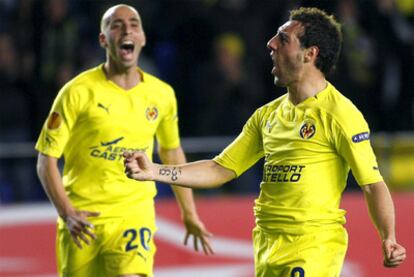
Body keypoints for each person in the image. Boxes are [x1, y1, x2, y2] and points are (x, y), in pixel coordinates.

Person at [124, 7, 406, 276]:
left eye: (283, 39)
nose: (271, 44)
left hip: (312, 246)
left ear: (310, 54)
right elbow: (220, 168)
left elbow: (371, 183)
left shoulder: (340, 114)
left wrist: (388, 237)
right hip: (267, 245)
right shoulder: (267, 115)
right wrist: (154, 171)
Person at [35, 4, 213, 277]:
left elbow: (171, 153)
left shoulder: (161, 94)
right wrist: (67, 213)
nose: (127, 28)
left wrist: (189, 213)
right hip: (83, 220)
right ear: (103, 39)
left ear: (142, 37)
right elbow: (46, 160)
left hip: (133, 214)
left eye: (133, 23)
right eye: (116, 24)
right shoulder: (76, 92)